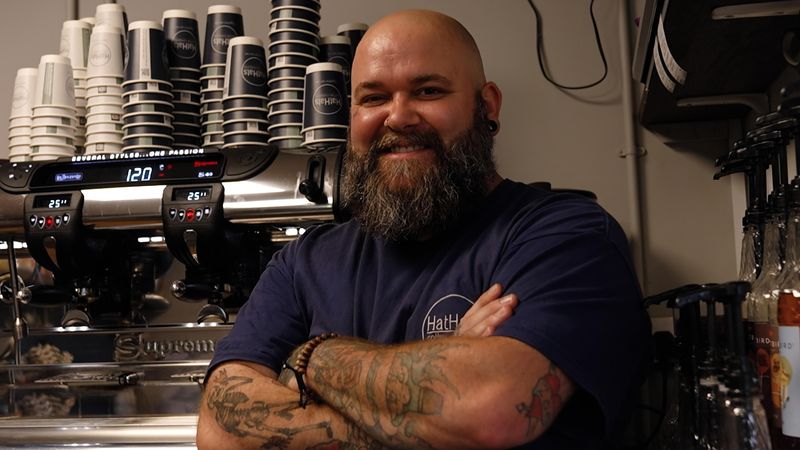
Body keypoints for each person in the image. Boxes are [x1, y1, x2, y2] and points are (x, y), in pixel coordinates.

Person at [197, 9, 651, 450]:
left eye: (428, 90)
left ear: (486, 106)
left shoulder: (565, 235)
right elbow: (220, 431)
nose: (398, 117)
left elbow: (488, 411)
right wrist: (431, 401)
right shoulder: (304, 262)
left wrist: (312, 358)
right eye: (373, 98)